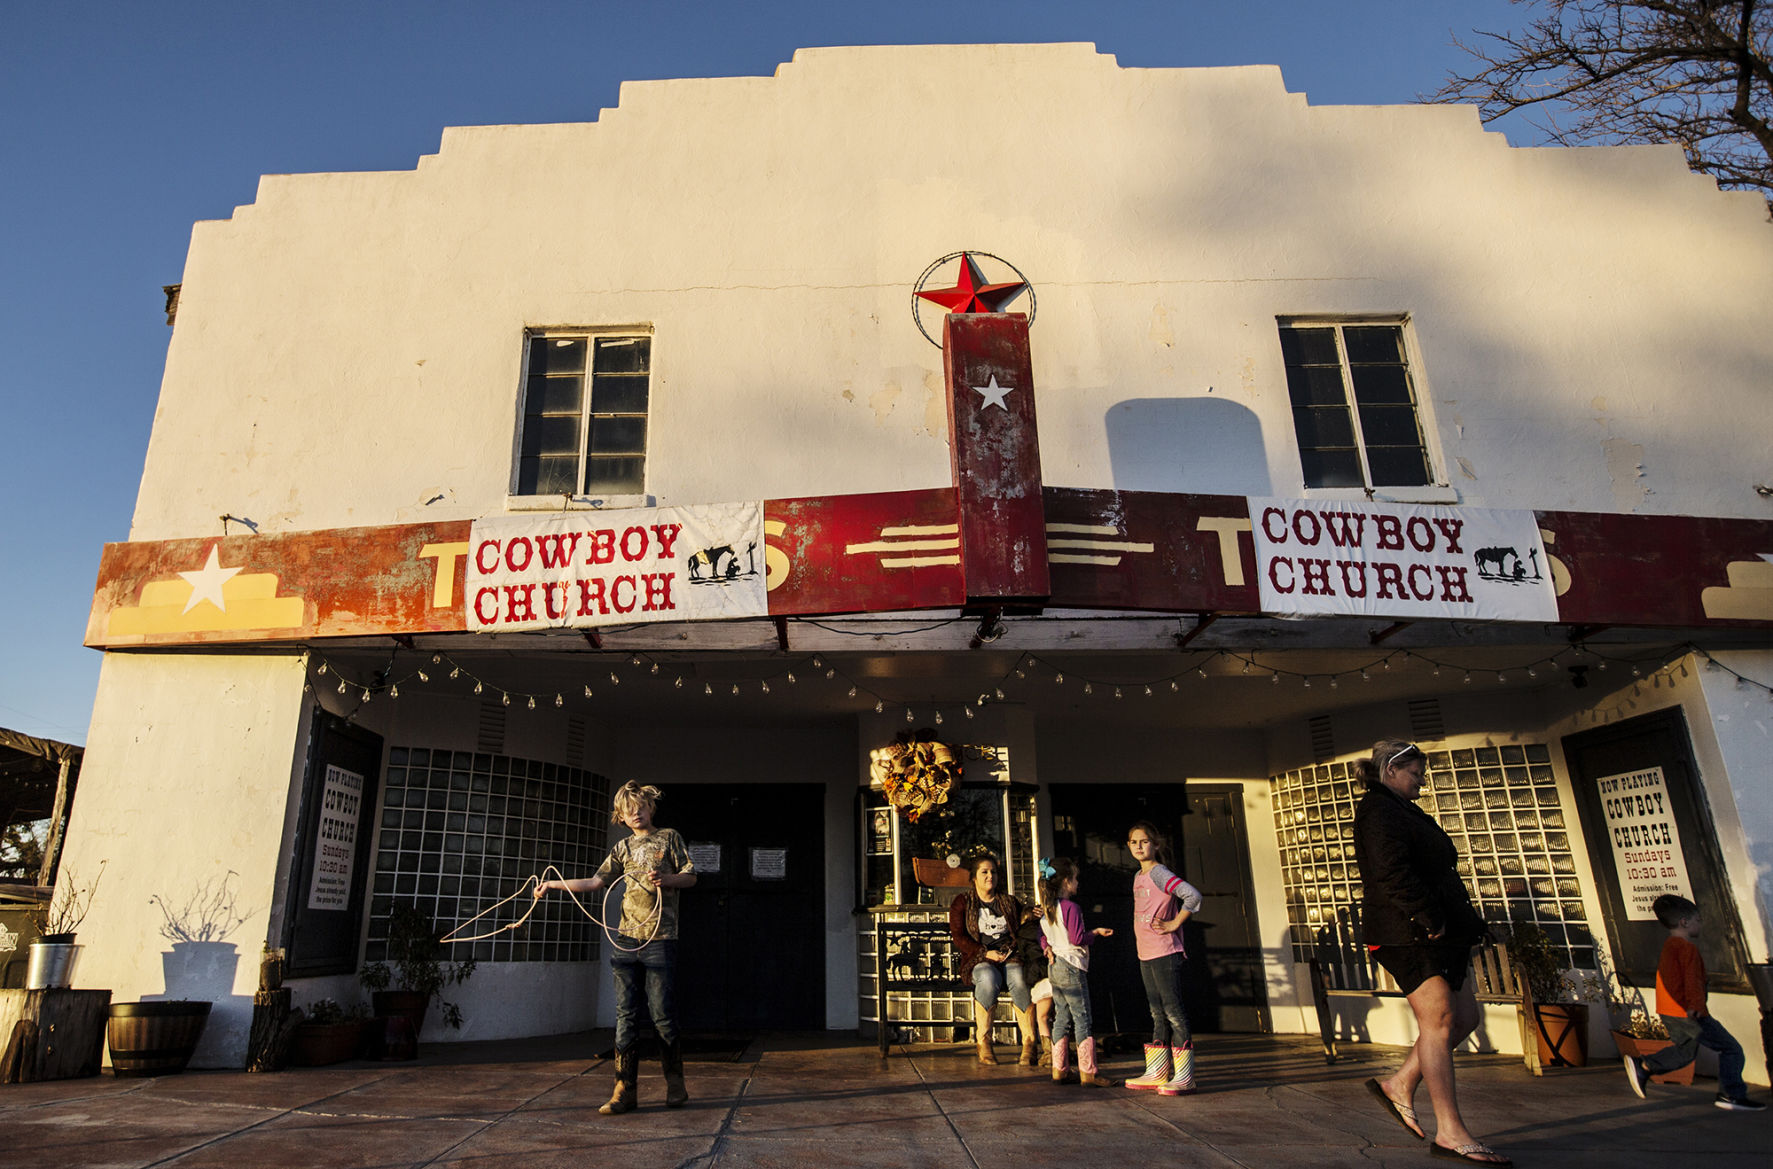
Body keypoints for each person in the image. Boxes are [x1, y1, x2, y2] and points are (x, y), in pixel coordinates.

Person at [1353, 740, 1509, 1167]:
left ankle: (1400, 1083)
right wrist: (1428, 916)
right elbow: (1390, 872)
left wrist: (1468, 923)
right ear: (1390, 772)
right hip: (1408, 932)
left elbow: (1439, 872)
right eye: (1415, 773)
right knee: (1439, 1018)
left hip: (1440, 932)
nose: (1421, 779)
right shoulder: (1379, 810)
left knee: (1465, 1018)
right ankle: (1450, 1132)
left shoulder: (1404, 809)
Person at [535, 781, 697, 1115]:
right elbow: (597, 882)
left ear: (651, 807)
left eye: (640, 807)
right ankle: (624, 1089)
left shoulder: (669, 838)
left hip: (660, 937)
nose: (635, 813)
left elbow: (691, 876)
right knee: (626, 1016)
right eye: (628, 810)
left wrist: (668, 880)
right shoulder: (621, 848)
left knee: (662, 1014)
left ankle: (675, 1083)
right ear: (620, 817)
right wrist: (552, 884)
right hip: (625, 938)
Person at [1622, 894, 1766, 1111]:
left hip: (1670, 1010)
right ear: (1684, 922)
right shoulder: (1687, 949)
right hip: (1689, 1012)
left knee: (1684, 1052)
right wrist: (1696, 1007)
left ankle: (1644, 1067)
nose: (1701, 923)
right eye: (1698, 919)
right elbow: (1693, 981)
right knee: (1732, 1049)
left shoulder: (1669, 947)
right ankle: (1731, 1095)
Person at [1123, 821, 1204, 1095]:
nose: (1138, 846)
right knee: (1156, 1011)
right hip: (1146, 953)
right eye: (1133, 842)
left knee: (1173, 1011)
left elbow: (1192, 896)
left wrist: (1174, 923)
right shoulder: (1138, 876)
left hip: (1164, 951)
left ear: (1155, 845)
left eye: (1144, 841)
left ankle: (1184, 1076)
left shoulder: (1159, 873)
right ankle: (1157, 1071)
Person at [949, 853, 1038, 1066]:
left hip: (1010, 956)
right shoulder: (963, 902)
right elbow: (959, 936)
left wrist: (1032, 914)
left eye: (994, 872)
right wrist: (984, 952)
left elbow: (1022, 925)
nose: (990, 876)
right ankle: (984, 1042)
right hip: (979, 959)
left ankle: (1029, 1043)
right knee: (987, 978)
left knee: (1019, 978)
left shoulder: (1007, 901)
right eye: (985, 872)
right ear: (974, 878)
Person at [1039, 857, 1117, 1087]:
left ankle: (1059, 1069)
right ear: (1065, 881)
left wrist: (1047, 948)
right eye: (1074, 879)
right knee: (1082, 1017)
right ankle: (1088, 1071)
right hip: (1072, 965)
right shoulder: (1071, 907)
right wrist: (1096, 933)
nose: (1077, 883)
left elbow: (1041, 936)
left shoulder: (1047, 908)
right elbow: (1077, 938)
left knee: (1061, 1016)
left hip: (1055, 967)